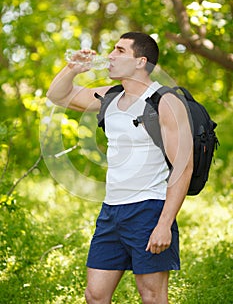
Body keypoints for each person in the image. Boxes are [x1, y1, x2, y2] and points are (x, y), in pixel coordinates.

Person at [47, 32, 193, 304]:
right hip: (111, 211)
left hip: (149, 209)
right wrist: (72, 69)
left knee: (152, 295)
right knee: (95, 295)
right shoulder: (110, 96)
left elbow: (184, 167)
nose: (111, 56)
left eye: (120, 50)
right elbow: (57, 95)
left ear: (140, 61)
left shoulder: (165, 101)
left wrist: (164, 223)